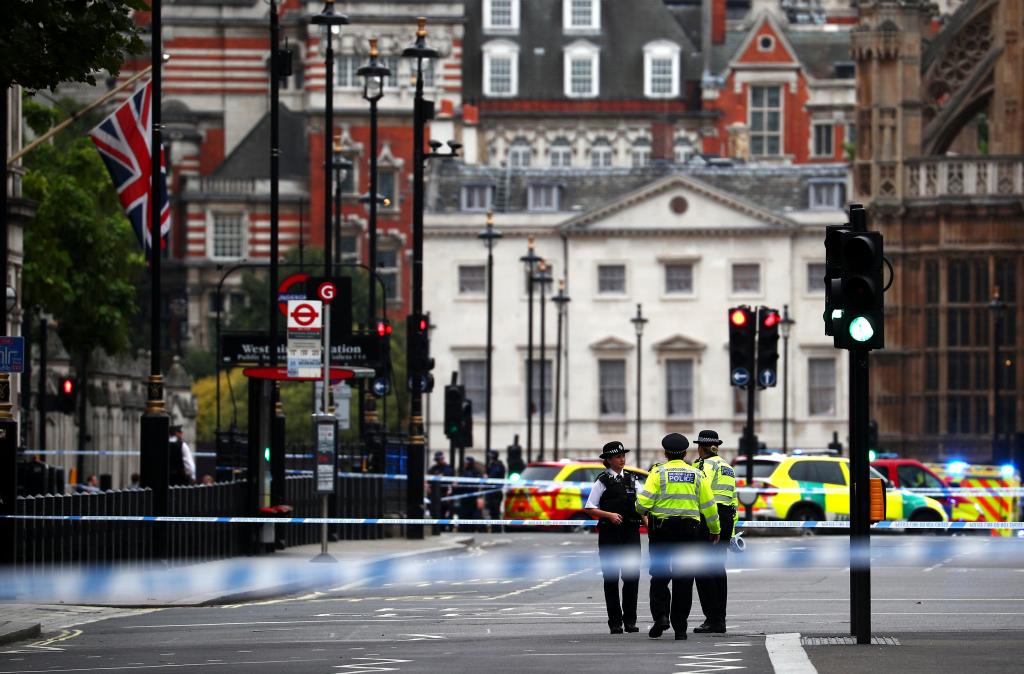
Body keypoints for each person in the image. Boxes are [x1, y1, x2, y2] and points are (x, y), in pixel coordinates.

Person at [636, 433, 720, 640]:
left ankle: (661, 616)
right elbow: (709, 506)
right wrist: (715, 529)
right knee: (684, 580)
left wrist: (644, 509)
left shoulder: (658, 473)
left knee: (659, 576)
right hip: (689, 533)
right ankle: (680, 628)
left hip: (661, 532)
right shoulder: (697, 475)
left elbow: (642, 504)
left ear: (665, 453)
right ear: (684, 453)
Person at [584, 441, 644, 635]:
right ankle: (615, 622)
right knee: (611, 579)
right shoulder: (602, 481)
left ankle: (630, 621)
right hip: (610, 534)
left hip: (630, 533)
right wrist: (609, 515)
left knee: (631, 577)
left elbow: (641, 504)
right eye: (618, 457)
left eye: (623, 456)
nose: (622, 459)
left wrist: (646, 520)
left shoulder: (633, 479)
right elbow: (590, 507)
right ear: (608, 460)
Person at [692, 430, 737, 634]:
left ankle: (712, 618)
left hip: (708, 517)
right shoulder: (728, 468)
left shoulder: (702, 466)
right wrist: (732, 531)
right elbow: (733, 501)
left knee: (703, 571)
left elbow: (702, 494)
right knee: (718, 570)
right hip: (726, 517)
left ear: (701, 447)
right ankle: (720, 618)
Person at [427, 451, 455, 529]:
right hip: (434, 494)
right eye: (437, 460)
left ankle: (445, 527)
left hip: (445, 494)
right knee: (434, 512)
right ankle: (436, 528)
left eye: (439, 459)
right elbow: (428, 480)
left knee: (444, 511)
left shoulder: (448, 469)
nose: (438, 461)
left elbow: (450, 481)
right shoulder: (433, 468)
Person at [456, 456, 485, 531]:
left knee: (469, 514)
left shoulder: (473, 472)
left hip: (470, 497)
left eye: (466, 463)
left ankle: (469, 529)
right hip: (467, 497)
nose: (465, 464)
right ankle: (467, 528)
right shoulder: (466, 471)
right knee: (466, 514)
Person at [484, 449, 506, 532]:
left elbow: (494, 476)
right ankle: (494, 529)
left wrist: (487, 477)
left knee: (496, 511)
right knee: (492, 512)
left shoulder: (498, 465)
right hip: (490, 491)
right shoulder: (491, 465)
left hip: (496, 492)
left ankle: (497, 529)